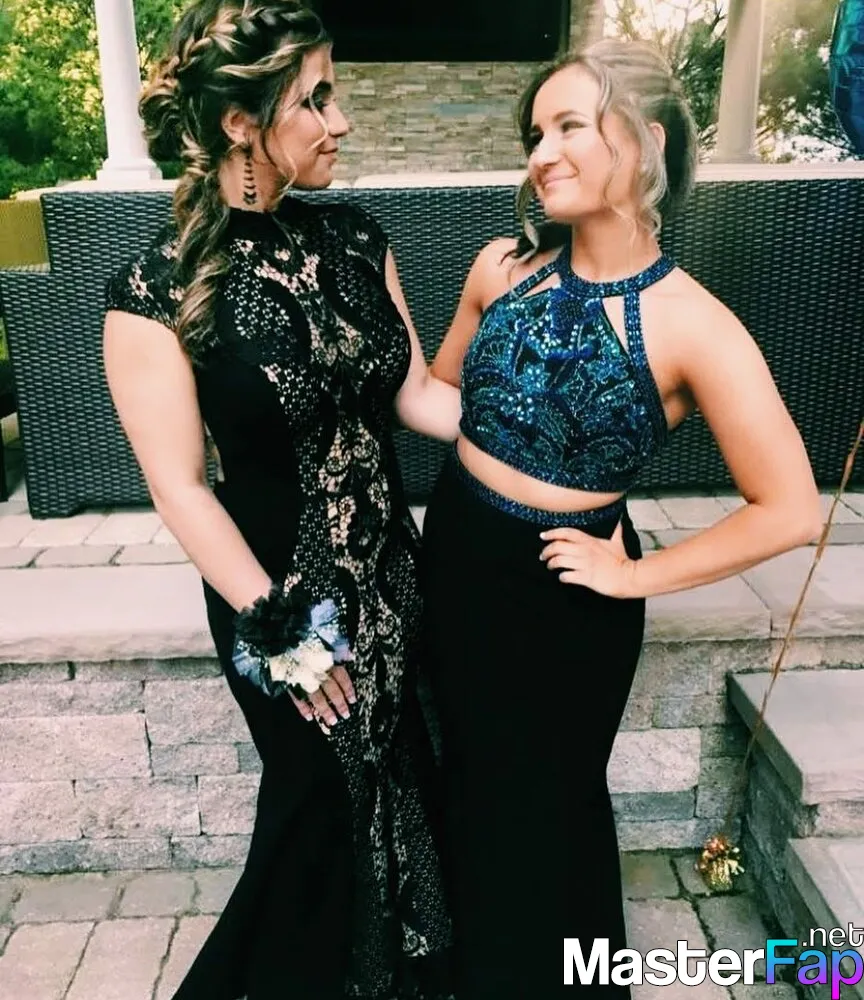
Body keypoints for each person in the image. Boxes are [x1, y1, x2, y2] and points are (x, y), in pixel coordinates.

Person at [422, 39, 822, 999]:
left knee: (548, 807)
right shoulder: (500, 269)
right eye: (535, 134)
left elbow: (792, 508)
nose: (541, 154)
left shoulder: (693, 322)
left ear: (643, 142)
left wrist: (635, 574)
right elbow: (443, 399)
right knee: (465, 776)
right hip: (458, 557)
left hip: (566, 593)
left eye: (569, 126)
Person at [102, 2, 458, 997]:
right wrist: (286, 636)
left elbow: (419, 394)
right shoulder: (152, 289)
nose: (341, 122)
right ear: (240, 123)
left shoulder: (356, 237)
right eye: (316, 100)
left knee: (401, 788)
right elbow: (180, 488)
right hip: (278, 599)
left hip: (391, 579)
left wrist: (543, 434)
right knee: (316, 810)